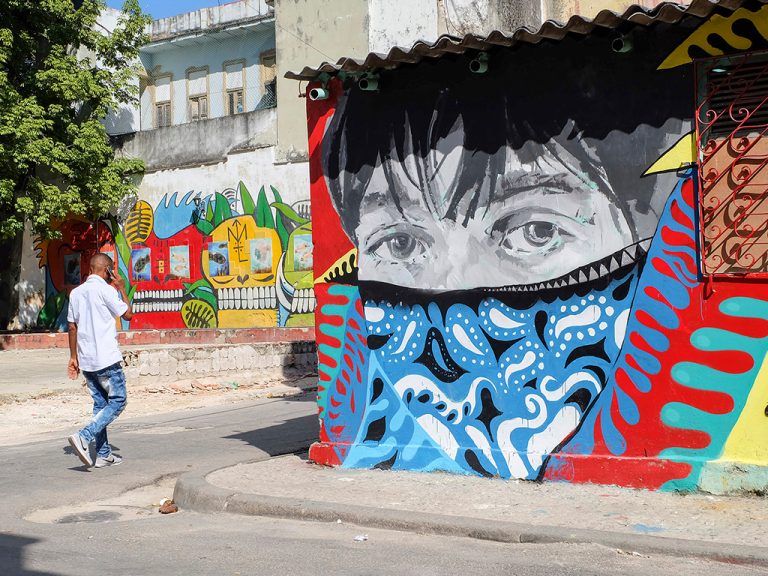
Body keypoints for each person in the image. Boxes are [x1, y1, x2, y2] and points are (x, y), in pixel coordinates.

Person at [66, 253, 133, 468]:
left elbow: (72, 327)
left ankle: (103, 454)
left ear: (90, 269)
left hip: (87, 360)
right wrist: (122, 288)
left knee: (101, 405)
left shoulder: (76, 293)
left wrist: (73, 357)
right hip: (107, 359)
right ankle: (84, 436)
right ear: (108, 271)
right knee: (118, 401)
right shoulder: (107, 290)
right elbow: (128, 315)